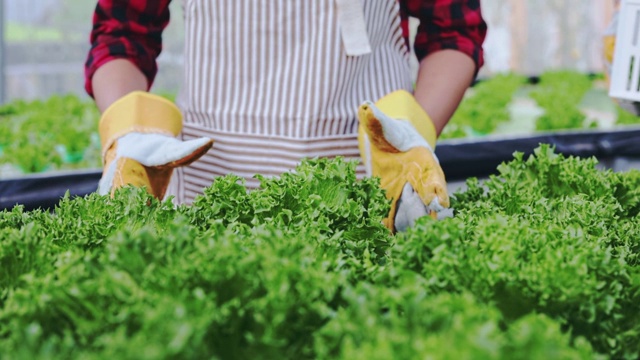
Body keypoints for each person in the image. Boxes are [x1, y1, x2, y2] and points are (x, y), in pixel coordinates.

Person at [85, 0, 487, 232]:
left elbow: (451, 32)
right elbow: (123, 33)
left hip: (367, 194)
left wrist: (410, 139)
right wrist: (129, 131)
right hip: (207, 190)